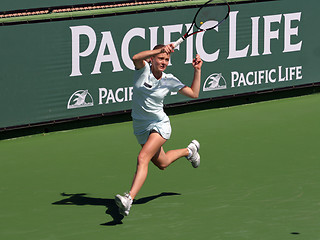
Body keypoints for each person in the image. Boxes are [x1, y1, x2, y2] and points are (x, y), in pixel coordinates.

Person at [115, 43, 203, 216]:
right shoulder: (143, 71)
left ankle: (129, 199)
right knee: (162, 163)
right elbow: (135, 57)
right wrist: (159, 50)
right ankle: (189, 151)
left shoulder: (169, 80)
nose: (163, 62)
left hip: (159, 124)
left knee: (143, 158)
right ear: (152, 59)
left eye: (166, 59)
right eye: (161, 58)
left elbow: (194, 93)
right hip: (140, 126)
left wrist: (197, 70)